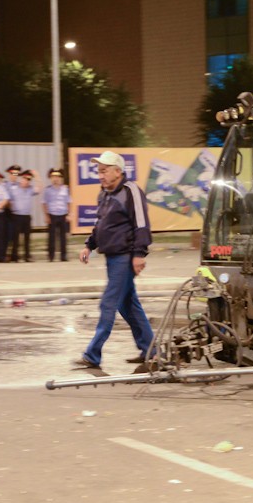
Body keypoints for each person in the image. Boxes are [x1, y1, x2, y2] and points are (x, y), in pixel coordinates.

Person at [73, 151, 154, 370]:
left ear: (118, 171)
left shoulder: (131, 191)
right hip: (111, 256)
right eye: (99, 171)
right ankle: (151, 351)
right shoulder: (104, 194)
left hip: (125, 257)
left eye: (104, 171)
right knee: (128, 305)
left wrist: (139, 254)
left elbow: (142, 224)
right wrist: (89, 245)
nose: (100, 175)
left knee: (108, 303)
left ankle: (92, 354)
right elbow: (100, 225)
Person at [8, 169, 41, 262]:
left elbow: (39, 189)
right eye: (25, 179)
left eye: (28, 180)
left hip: (26, 216)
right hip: (16, 215)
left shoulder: (30, 189)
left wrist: (37, 177)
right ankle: (14, 256)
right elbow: (8, 200)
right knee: (16, 237)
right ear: (21, 179)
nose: (26, 181)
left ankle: (27, 256)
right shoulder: (14, 188)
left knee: (27, 237)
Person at [42, 168, 71, 262]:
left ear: (61, 178)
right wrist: (46, 216)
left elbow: (68, 202)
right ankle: (51, 256)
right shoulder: (47, 190)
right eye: (53, 177)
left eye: (58, 176)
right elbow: (44, 203)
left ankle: (64, 256)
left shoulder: (65, 189)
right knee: (51, 237)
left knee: (63, 237)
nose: (56, 178)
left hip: (63, 215)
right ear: (51, 178)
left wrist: (69, 214)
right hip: (52, 215)